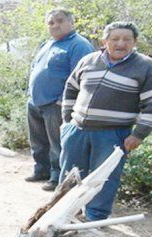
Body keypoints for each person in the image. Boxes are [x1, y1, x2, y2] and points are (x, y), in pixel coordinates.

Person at [59, 21, 152, 221]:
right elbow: (71, 89)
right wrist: (67, 122)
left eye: (127, 39)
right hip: (77, 130)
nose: (120, 43)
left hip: (113, 133)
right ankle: (65, 213)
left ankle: (95, 218)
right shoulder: (89, 61)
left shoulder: (146, 66)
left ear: (134, 42)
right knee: (70, 174)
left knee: (104, 178)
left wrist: (139, 134)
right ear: (104, 41)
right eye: (115, 39)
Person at [26, 9, 94, 191]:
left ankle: (57, 177)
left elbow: (81, 77)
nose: (55, 25)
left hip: (57, 104)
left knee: (57, 143)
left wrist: (62, 101)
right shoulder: (47, 44)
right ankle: (41, 170)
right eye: (51, 22)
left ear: (71, 22)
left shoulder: (79, 45)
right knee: (38, 141)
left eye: (60, 21)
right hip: (35, 101)